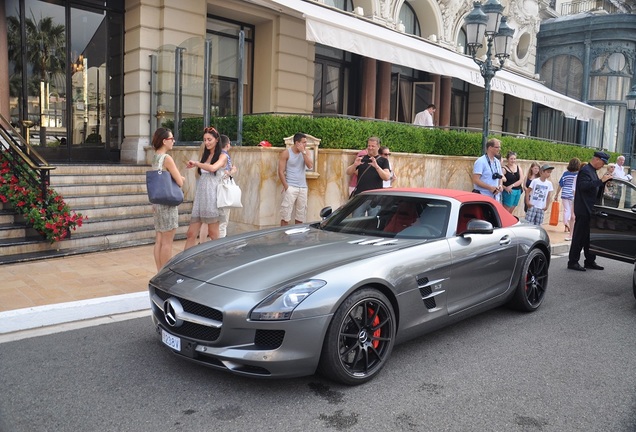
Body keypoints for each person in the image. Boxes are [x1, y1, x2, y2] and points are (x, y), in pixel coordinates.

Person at [184, 127, 228, 250]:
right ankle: (185, 263)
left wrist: (197, 163)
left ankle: (218, 260)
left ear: (216, 139)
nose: (207, 142)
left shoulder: (222, 156)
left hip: (212, 197)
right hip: (201, 197)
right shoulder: (206, 155)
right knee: (191, 233)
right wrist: (196, 164)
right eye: (205, 140)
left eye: (209, 139)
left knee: (213, 234)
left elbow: (213, 168)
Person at [567, 151, 612, 271]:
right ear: (597, 159)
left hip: (591, 209)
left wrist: (603, 183)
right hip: (583, 209)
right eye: (602, 162)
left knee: (589, 238)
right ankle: (573, 262)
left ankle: (590, 261)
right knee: (579, 237)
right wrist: (600, 181)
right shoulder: (586, 170)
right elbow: (583, 186)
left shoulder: (593, 172)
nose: (602, 165)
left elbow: (594, 187)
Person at [150, 127, 185, 271]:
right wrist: (181, 177)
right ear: (164, 141)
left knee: (159, 240)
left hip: (158, 202)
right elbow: (180, 181)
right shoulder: (167, 158)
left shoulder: (155, 157)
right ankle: (164, 274)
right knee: (167, 242)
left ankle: (159, 272)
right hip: (168, 203)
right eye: (171, 139)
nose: (173, 141)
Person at [346, 137, 390, 216]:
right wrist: (355, 165)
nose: (370, 148)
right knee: (356, 222)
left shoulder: (383, 160)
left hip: (375, 198)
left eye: (373, 146)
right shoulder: (361, 159)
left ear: (378, 146)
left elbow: (386, 177)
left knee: (372, 223)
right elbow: (348, 172)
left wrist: (377, 167)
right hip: (360, 196)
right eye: (369, 146)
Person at [278, 132, 313, 226]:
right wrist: (286, 187)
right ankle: (283, 237)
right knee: (285, 215)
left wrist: (303, 152)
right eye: (304, 142)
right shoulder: (286, 153)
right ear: (297, 143)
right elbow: (281, 171)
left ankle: (297, 238)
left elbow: (310, 166)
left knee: (300, 216)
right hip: (291, 187)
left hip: (303, 187)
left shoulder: (306, 152)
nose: (306, 144)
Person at [554, 157, 580, 240]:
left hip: (565, 193)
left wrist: (556, 194)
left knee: (566, 210)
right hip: (573, 194)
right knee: (571, 211)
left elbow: (560, 184)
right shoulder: (578, 174)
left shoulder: (565, 174)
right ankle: (568, 224)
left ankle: (566, 224)